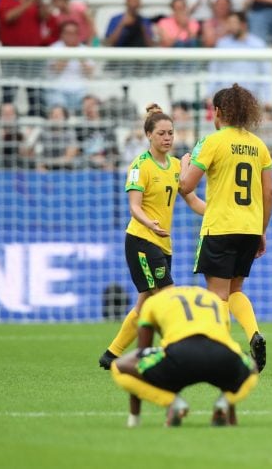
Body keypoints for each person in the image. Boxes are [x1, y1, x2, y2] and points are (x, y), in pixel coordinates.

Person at [98, 104, 206, 370]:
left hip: (162, 242)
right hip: (141, 241)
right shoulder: (139, 166)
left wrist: (219, 214)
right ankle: (178, 350)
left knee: (145, 302)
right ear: (149, 135)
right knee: (168, 296)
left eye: (171, 133)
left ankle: (112, 354)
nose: (167, 138)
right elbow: (134, 207)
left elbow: (191, 200)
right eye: (161, 133)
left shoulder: (174, 166)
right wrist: (151, 224)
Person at [179, 84, 272, 373]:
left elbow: (186, 185)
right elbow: (268, 192)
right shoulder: (259, 145)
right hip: (249, 227)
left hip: (220, 226)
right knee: (236, 289)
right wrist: (261, 230)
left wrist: (185, 163)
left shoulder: (212, 142)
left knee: (217, 294)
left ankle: (222, 351)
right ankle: (253, 333)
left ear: (218, 111)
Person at [110, 285, 259, 428]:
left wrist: (134, 416)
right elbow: (226, 343)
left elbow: (140, 356)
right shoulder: (211, 298)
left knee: (119, 367)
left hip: (180, 359)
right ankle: (224, 402)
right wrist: (231, 414)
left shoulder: (152, 302)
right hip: (221, 358)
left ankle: (173, 403)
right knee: (252, 367)